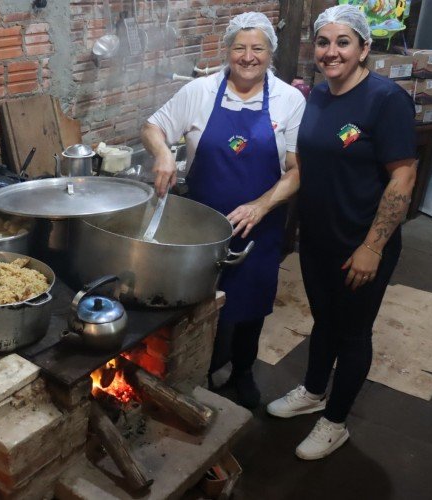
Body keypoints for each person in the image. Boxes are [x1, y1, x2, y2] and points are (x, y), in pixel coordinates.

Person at [267, 5, 417, 460]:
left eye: (343, 42)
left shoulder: (385, 99)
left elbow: (403, 176)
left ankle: (335, 422)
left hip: (362, 243)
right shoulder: (316, 95)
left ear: (364, 48)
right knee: (325, 321)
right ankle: (314, 391)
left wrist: (373, 245)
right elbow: (308, 163)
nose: (331, 52)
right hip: (317, 238)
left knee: (353, 333)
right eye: (324, 42)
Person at [142, 12, 305, 409]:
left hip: (259, 227)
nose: (248, 57)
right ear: (227, 51)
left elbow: (297, 171)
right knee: (199, 304)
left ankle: (243, 370)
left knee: (251, 306)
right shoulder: (200, 90)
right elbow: (152, 127)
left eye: (258, 49)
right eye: (240, 48)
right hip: (200, 226)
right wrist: (163, 152)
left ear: (271, 53)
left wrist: (261, 204)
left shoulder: (290, 99)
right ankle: (195, 371)